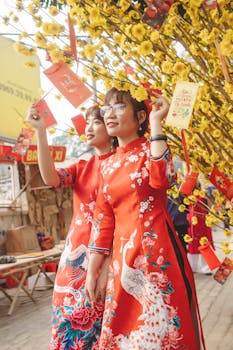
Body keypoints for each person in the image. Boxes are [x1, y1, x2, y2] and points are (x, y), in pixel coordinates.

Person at [85, 87, 206, 349]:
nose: (110, 114)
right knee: (124, 331)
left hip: (156, 254)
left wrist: (156, 122)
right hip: (122, 261)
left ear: (140, 117)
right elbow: (103, 219)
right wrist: (93, 269)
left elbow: (161, 179)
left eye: (119, 107)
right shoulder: (107, 164)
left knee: (162, 330)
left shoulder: (151, 149)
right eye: (107, 108)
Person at [27, 105, 116, 349]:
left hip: (112, 256)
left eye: (95, 122)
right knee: (69, 324)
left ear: (111, 126)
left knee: (105, 328)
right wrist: (41, 132)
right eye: (87, 122)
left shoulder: (123, 166)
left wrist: (107, 262)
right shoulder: (82, 166)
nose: (88, 128)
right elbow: (50, 178)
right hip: (75, 260)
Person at [187, 195, 214, 274]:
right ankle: (193, 267)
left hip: (204, 222)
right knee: (192, 246)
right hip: (193, 223)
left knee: (205, 244)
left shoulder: (203, 194)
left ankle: (206, 268)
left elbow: (210, 206)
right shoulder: (186, 194)